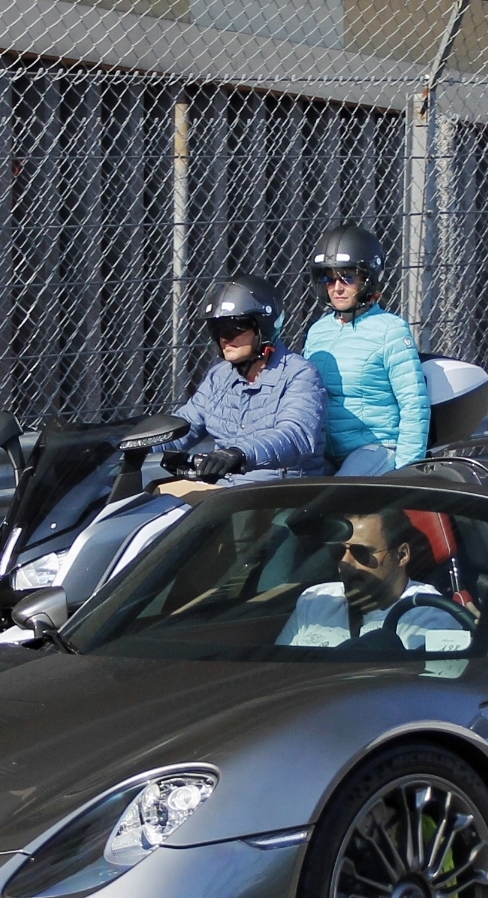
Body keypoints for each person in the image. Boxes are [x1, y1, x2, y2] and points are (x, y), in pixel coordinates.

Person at [162, 275, 327, 488]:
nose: (224, 338)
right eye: (217, 329)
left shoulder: (300, 374)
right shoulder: (218, 377)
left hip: (283, 492)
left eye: (233, 328)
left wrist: (238, 454)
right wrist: (130, 448)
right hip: (225, 491)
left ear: (263, 327)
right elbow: (184, 427)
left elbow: (295, 436)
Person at [301, 224, 427, 476]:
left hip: (376, 447)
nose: (337, 287)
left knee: (336, 499)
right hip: (325, 450)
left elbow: (414, 403)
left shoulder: (391, 330)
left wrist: (407, 469)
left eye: (347, 277)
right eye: (329, 277)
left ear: (367, 279)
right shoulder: (318, 331)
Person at [276, 510, 470, 652]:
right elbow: (278, 672)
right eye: (338, 551)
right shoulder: (315, 599)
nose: (345, 562)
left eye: (361, 553)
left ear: (401, 555)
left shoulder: (429, 616)